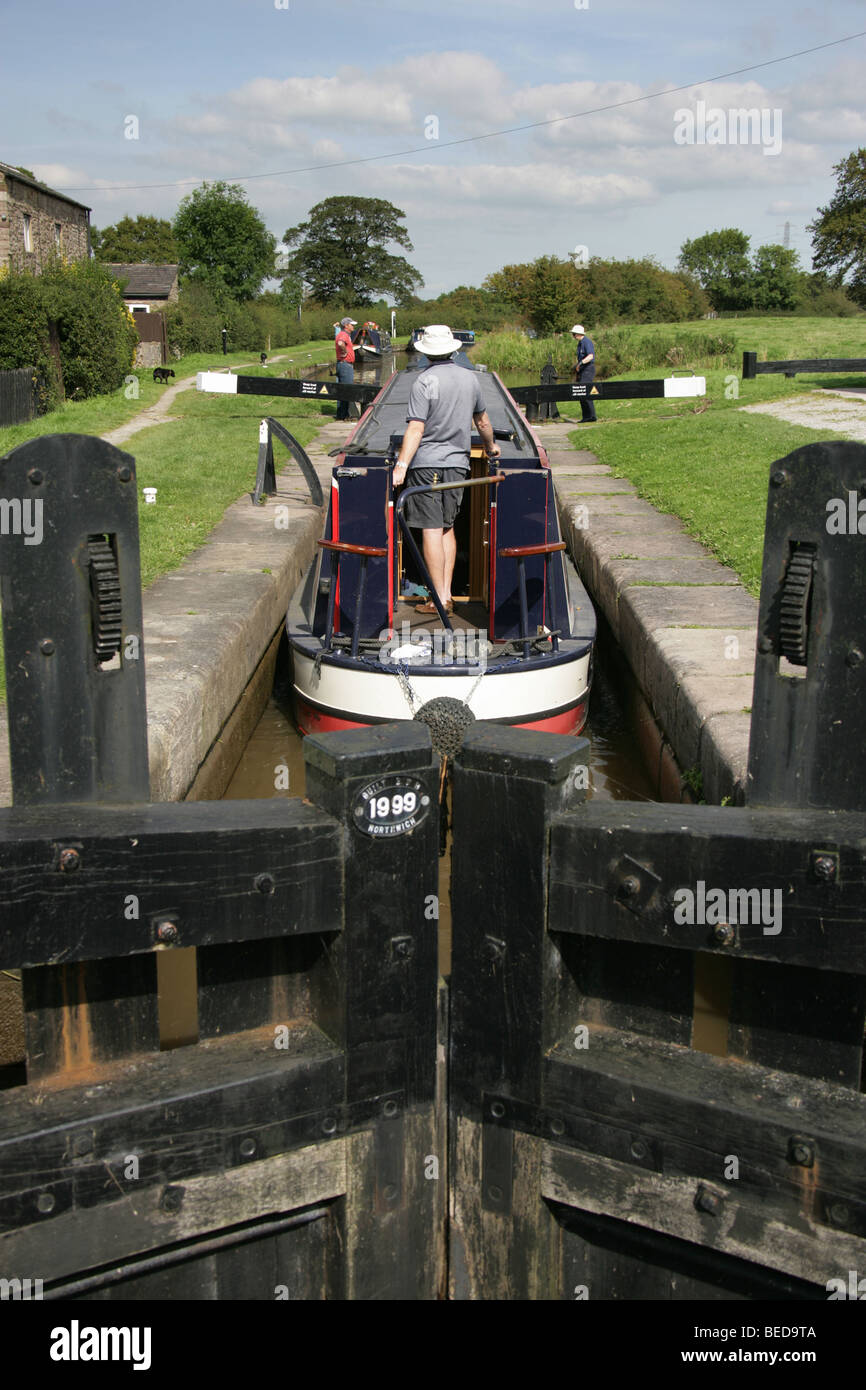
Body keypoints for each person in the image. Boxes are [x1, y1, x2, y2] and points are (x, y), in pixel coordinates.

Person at [391, 325, 500, 615]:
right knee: (447, 528)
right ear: (453, 349)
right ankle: (447, 593)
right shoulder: (471, 379)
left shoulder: (423, 382)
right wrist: (490, 449)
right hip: (458, 465)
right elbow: (483, 422)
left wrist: (401, 465)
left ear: (425, 352)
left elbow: (416, 428)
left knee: (431, 529)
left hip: (427, 465)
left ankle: (437, 600)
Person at [571, 323, 597, 422]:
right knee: (581, 393)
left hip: (588, 369)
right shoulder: (580, 344)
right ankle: (586, 416)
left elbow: (590, 356)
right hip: (583, 370)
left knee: (585, 392)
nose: (573, 336)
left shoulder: (586, 342)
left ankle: (591, 416)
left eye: (574, 334)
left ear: (578, 334)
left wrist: (580, 363)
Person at [334, 316, 357, 421]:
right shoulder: (343, 334)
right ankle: (347, 414)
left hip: (343, 364)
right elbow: (340, 343)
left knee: (342, 390)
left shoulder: (344, 334)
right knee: (348, 390)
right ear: (346, 325)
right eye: (352, 324)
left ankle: (341, 414)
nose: (353, 326)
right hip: (345, 365)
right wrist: (344, 351)